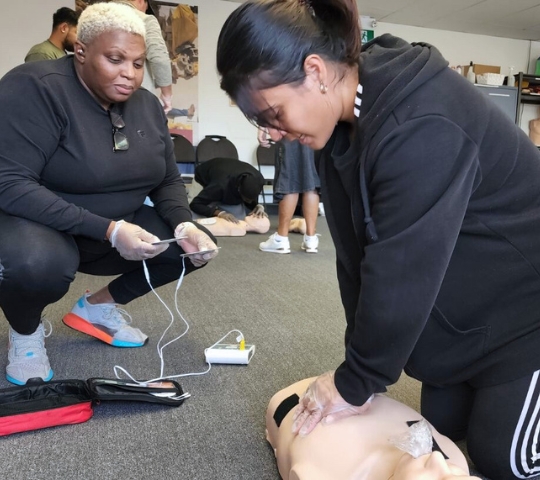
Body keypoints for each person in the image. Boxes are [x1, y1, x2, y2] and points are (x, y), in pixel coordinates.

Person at [216, 1, 540, 478]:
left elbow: (401, 270)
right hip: (470, 315)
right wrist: (360, 373)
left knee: (504, 459)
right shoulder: (339, 127)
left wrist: (354, 382)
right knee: (436, 430)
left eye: (273, 113)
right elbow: (356, 259)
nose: (273, 132)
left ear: (315, 71)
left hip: (525, 316)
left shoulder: (420, 124)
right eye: (259, 121)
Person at [0, 2, 218, 387]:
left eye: (137, 64)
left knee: (192, 248)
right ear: (81, 50)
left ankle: (97, 308)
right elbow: (10, 183)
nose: (130, 75)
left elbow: (166, 180)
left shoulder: (147, 106)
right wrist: (110, 230)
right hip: (40, 226)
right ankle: (26, 332)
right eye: (115, 59)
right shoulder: (34, 88)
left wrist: (184, 222)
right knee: (36, 265)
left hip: (115, 227)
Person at [267, 377, 480, 480]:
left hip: (289, 406)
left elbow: (301, 471)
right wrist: (356, 380)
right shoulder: (454, 457)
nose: (438, 459)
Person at [257, 129, 320, 254]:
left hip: (290, 125)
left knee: (290, 175)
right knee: (311, 178)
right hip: (315, 125)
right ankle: (311, 238)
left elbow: (274, 108)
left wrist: (263, 126)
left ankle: (281, 238)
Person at [112, 0, 174, 113]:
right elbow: (158, 57)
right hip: (135, 100)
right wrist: (167, 95)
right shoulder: (144, 19)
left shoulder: (97, 18)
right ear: (141, 1)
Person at [190, 158, 265, 223]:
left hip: (225, 178)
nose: (249, 202)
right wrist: (219, 213)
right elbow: (195, 204)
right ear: (239, 189)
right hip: (203, 179)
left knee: (238, 220)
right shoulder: (220, 185)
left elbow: (250, 196)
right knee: (191, 217)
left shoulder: (258, 180)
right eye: (246, 199)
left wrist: (256, 206)